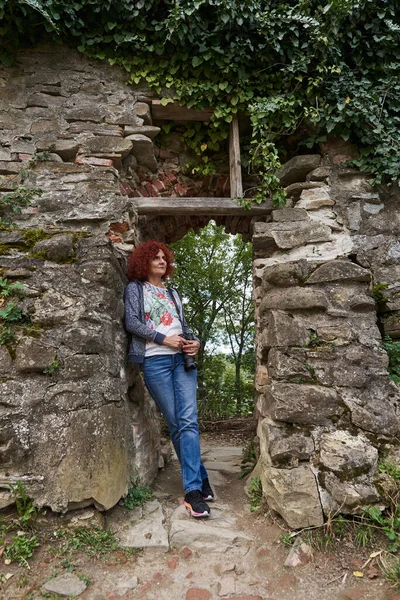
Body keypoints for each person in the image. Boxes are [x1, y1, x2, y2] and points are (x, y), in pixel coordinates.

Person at [124, 240, 215, 518]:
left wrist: (194, 342)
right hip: (155, 360)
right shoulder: (135, 289)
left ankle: (192, 492)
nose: (162, 262)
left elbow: (183, 328)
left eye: (165, 258)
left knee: (187, 421)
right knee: (176, 423)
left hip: (182, 360)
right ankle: (200, 478)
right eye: (156, 258)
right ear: (144, 262)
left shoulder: (173, 293)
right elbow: (132, 323)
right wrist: (166, 340)